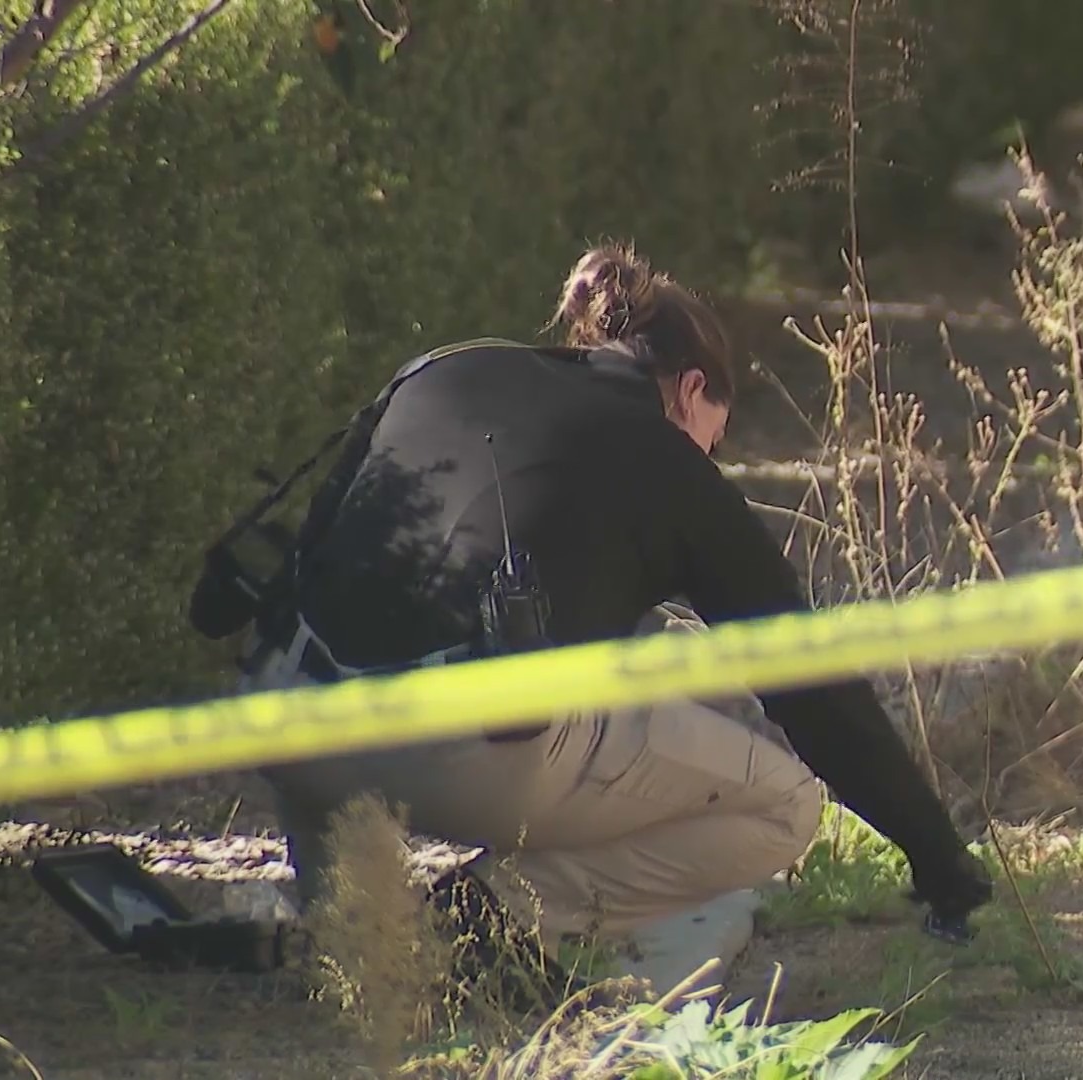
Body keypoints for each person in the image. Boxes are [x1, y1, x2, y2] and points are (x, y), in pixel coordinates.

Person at [222, 243, 993, 1000]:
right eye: (713, 439)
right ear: (692, 391)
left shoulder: (441, 368)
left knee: (363, 933)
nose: (709, 458)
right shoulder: (669, 463)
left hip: (293, 722)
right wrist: (938, 859)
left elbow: (311, 551)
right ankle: (481, 924)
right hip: (451, 755)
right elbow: (815, 695)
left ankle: (345, 931)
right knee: (784, 805)